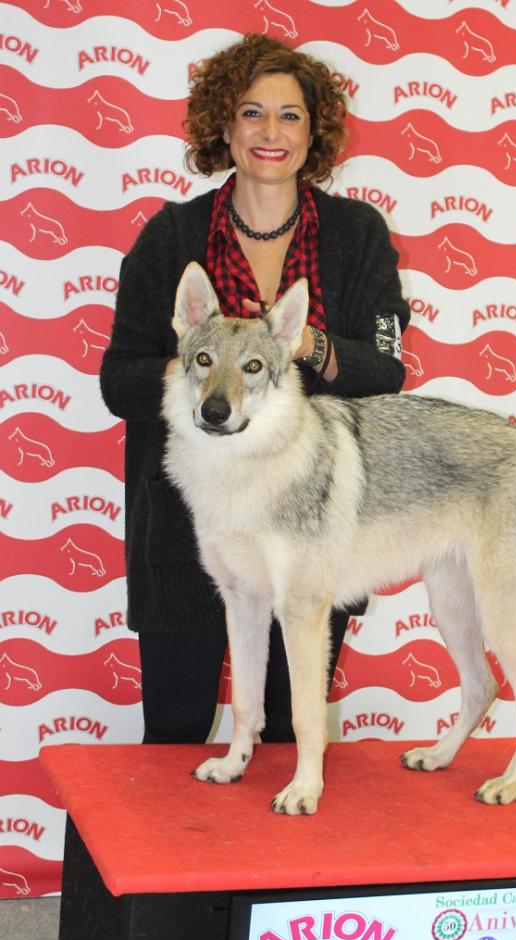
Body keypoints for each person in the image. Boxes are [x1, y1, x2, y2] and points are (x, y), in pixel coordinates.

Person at [100, 33, 410, 744]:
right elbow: (119, 379)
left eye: (290, 115)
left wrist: (309, 346)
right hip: (185, 523)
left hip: (308, 518)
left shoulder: (358, 234)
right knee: (174, 733)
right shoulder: (169, 237)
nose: (271, 132)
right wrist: (206, 369)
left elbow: (385, 369)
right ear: (224, 125)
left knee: (285, 740)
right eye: (251, 112)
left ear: (315, 131)